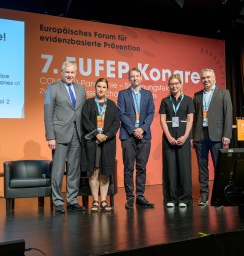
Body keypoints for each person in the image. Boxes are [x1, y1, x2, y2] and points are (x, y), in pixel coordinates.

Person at [44, 61, 86, 213]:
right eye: (67, 72)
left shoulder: (81, 89)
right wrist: (50, 136)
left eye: (72, 72)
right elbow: (47, 114)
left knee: (74, 170)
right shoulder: (52, 88)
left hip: (77, 134)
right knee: (58, 170)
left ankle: (72, 200)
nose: (69, 75)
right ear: (62, 72)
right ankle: (58, 201)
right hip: (60, 135)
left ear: (75, 73)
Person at [191, 68, 233, 206]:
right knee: (202, 167)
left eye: (208, 77)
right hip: (200, 135)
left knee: (219, 167)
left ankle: (219, 196)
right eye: (203, 78)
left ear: (214, 78)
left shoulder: (223, 93)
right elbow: (194, 117)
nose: (206, 80)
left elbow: (228, 114)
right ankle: (204, 195)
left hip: (217, 136)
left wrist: (227, 134)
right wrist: (192, 136)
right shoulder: (197, 96)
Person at [117, 67, 155, 209]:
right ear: (129, 78)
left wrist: (142, 129)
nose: (134, 78)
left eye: (137, 76)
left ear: (140, 77)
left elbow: (151, 113)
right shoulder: (122, 94)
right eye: (132, 76)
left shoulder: (148, 94)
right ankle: (129, 198)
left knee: (141, 168)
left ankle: (140, 196)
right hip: (128, 136)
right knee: (128, 168)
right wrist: (134, 130)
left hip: (144, 136)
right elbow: (121, 114)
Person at [81, 78, 120, 212]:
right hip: (92, 142)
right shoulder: (88, 103)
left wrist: (106, 135)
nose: (101, 89)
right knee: (94, 171)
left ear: (107, 89)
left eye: (104, 87)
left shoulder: (112, 105)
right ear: (95, 87)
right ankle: (95, 201)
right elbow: (85, 121)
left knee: (105, 171)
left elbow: (116, 123)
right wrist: (96, 134)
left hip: (107, 143)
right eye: (99, 86)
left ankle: (103, 200)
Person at [159, 74, 194, 208]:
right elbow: (162, 120)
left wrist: (185, 136)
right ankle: (171, 198)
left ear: (180, 84)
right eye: (171, 84)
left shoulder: (188, 100)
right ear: (169, 86)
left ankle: (184, 198)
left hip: (183, 135)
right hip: (169, 136)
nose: (174, 86)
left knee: (184, 167)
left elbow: (190, 119)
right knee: (170, 167)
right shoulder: (165, 101)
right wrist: (168, 137)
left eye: (176, 83)